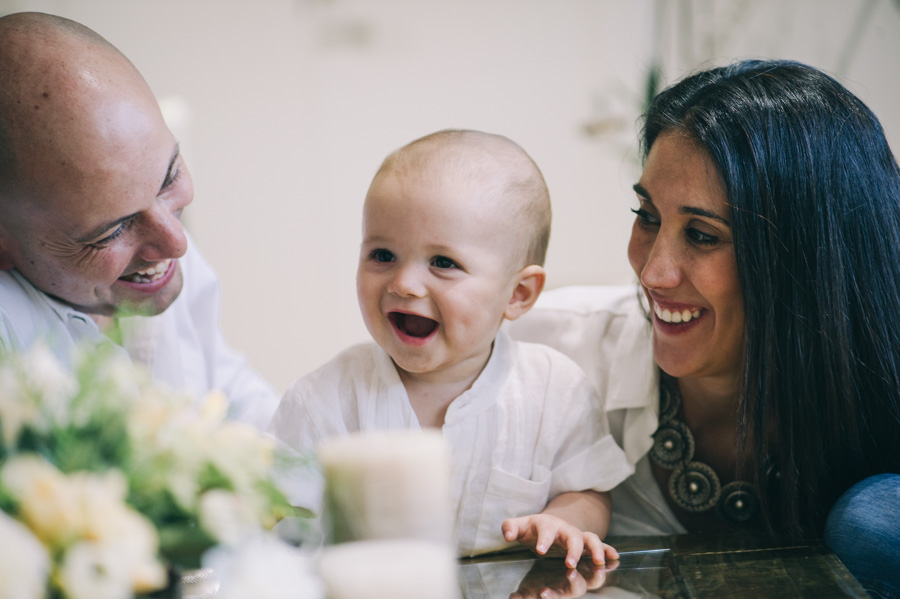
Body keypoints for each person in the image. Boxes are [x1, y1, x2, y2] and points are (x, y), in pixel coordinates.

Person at [507, 60, 900, 597]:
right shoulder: (537, 351)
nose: (652, 272)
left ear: (806, 259)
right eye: (647, 216)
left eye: (703, 235)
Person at [269, 129, 633, 563]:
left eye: (443, 263)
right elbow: (275, 525)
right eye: (383, 255)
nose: (403, 283)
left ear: (517, 294)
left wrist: (563, 521)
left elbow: (588, 490)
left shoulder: (555, 390)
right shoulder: (322, 402)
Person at [0, 12, 278, 429]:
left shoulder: (151, 260)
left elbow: (241, 407)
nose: (177, 242)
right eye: (112, 230)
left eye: (170, 177)